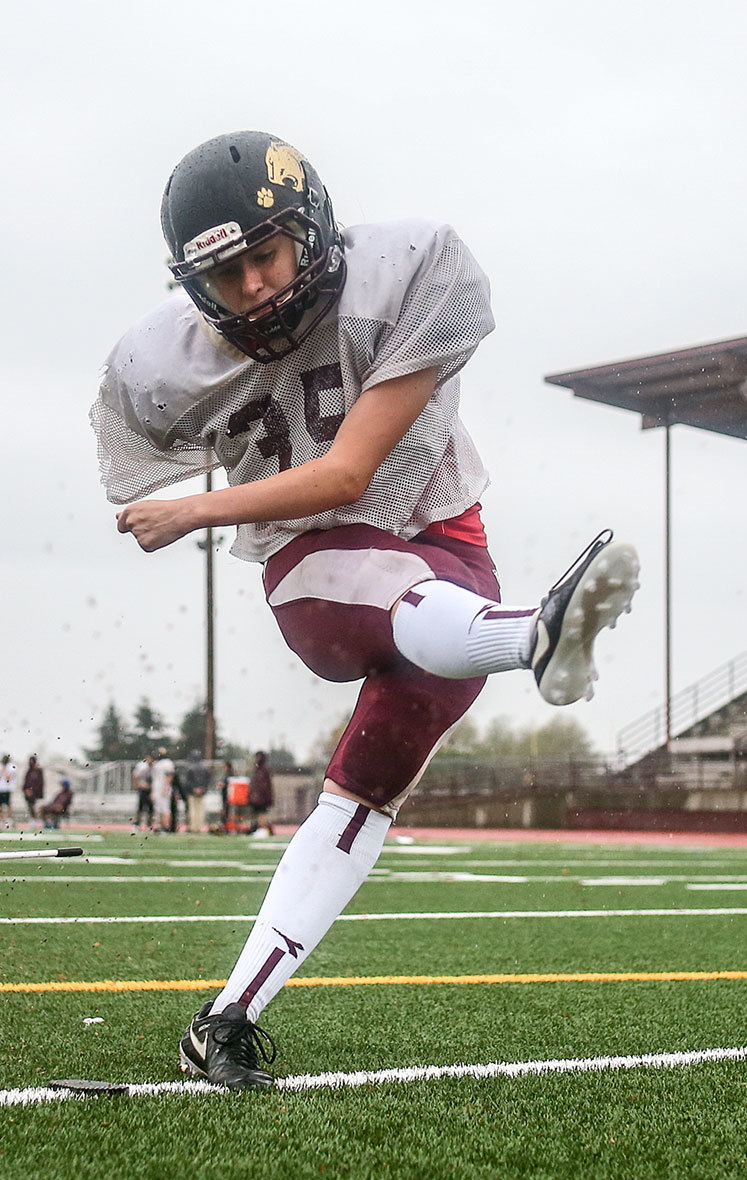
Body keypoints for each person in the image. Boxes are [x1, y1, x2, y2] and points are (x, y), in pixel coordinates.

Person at [92, 131, 639, 1090]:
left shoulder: (411, 269)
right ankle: (533, 638)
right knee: (414, 611)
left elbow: (350, 470)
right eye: (227, 275)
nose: (255, 288)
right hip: (314, 570)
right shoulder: (160, 362)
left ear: (310, 233)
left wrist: (193, 508)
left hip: (441, 546)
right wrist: (185, 490)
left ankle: (228, 1016)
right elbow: (141, 449)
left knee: (361, 796)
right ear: (193, 284)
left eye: (265, 256)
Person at [247, 751, 274, 836]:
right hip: (256, 798)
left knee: (262, 815)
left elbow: (266, 786)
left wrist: (266, 798)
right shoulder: (256, 769)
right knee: (256, 815)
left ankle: (265, 829)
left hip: (261, 798)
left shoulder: (264, 770)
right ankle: (256, 828)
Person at [152, 747, 176, 833]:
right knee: (159, 809)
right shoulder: (157, 763)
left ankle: (166, 827)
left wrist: (166, 788)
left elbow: (169, 776)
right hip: (157, 789)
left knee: (165, 808)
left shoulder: (167, 763)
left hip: (163, 789)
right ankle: (161, 826)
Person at [185, 753, 210, 833]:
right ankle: (200, 826)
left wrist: (194, 788)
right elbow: (207, 780)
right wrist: (202, 788)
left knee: (193, 809)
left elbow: (188, 781)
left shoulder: (190, 768)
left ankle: (193, 827)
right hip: (202, 792)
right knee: (200, 810)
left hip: (192, 792)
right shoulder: (204, 768)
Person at [131, 752, 155, 830]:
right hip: (143, 789)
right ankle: (137, 824)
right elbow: (135, 775)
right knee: (140, 808)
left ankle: (149, 825)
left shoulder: (155, 766)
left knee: (151, 809)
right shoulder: (141, 766)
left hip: (151, 790)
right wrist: (137, 786)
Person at [22, 756, 44, 824]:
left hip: (35, 793)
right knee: (30, 806)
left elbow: (40, 782)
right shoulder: (29, 771)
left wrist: (32, 791)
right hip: (28, 793)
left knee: (34, 806)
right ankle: (33, 819)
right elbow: (26, 781)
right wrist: (25, 790)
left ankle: (36, 820)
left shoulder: (38, 771)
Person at [0, 754, 17, 825]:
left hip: (7, 789)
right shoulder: (0, 766)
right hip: (0, 789)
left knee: (8, 805)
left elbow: (8, 777)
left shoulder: (11, 767)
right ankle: (1, 819)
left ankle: (9, 819)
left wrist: (4, 770)